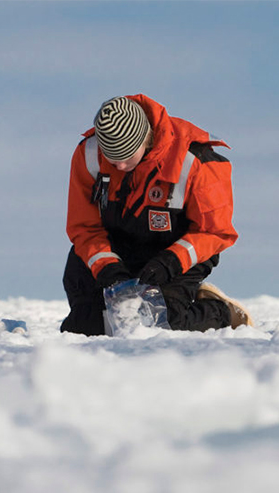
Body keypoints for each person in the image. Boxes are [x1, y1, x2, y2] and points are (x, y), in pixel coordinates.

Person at [61, 94, 253, 336]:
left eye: (127, 156)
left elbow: (215, 231)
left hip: (175, 254)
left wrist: (171, 262)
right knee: (83, 328)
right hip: (114, 249)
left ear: (146, 139)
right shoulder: (89, 154)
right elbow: (84, 227)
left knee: (162, 325)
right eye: (112, 158)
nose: (119, 166)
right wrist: (108, 267)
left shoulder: (198, 160)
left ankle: (221, 312)